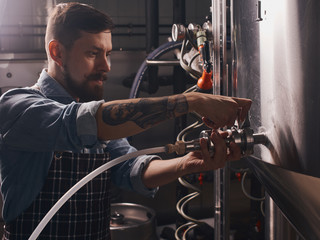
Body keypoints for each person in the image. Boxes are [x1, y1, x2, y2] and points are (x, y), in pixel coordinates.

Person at [0, 2, 252, 239]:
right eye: (93, 53)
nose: (106, 66)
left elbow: (132, 168)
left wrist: (187, 164)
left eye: (108, 54)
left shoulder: (96, 114)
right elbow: (80, 123)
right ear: (57, 52)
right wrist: (192, 102)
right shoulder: (17, 106)